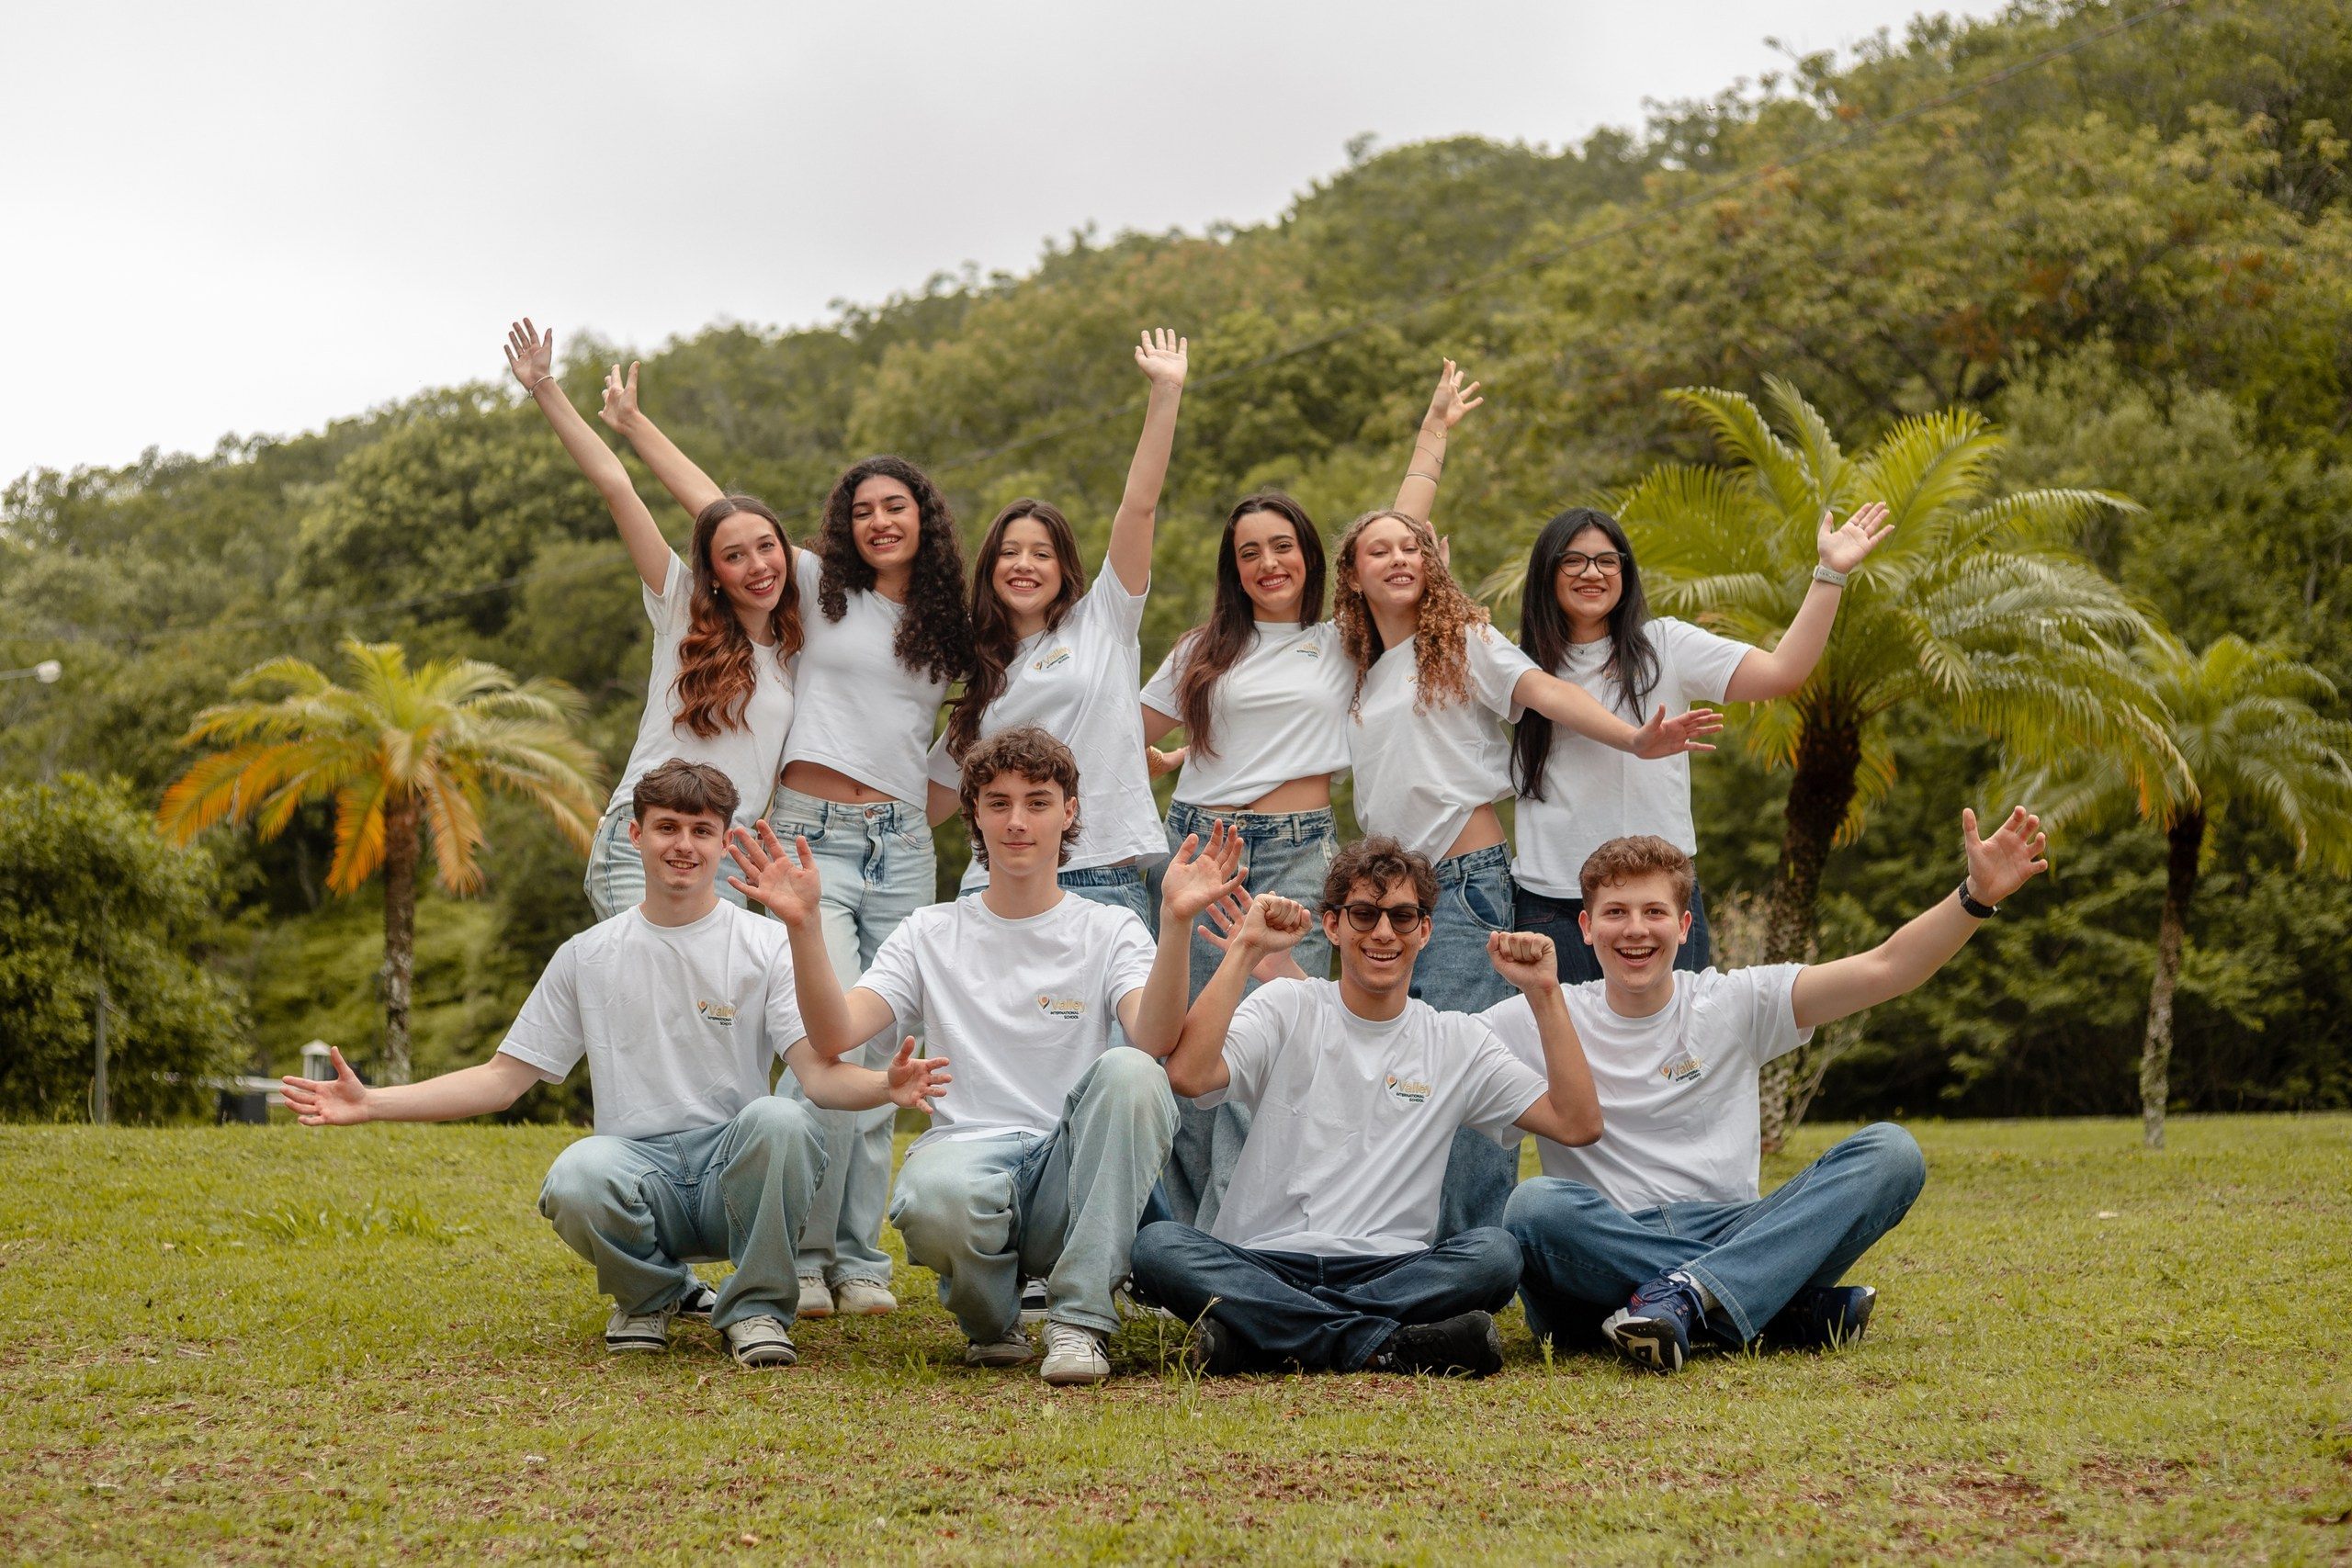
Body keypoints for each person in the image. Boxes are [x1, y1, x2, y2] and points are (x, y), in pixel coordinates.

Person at [276, 760, 949, 1370]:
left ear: (724, 843)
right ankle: (653, 1295)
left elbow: (819, 1076)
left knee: (782, 1119)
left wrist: (884, 1086)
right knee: (576, 1174)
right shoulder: (587, 955)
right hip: (639, 1177)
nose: (684, 845)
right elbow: (502, 1080)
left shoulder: (763, 942)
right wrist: (373, 1102)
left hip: (733, 1177)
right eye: (667, 827)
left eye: (702, 831)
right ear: (635, 835)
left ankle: (756, 1310)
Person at [603, 367, 974, 1322]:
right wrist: (636, 425)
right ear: (843, 526)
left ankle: (859, 1258)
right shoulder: (815, 583)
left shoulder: (952, 624)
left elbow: (963, 735)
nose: (879, 521)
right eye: (863, 509)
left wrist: (910, 818)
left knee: (883, 1048)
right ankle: (802, 1251)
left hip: (901, 846)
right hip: (811, 837)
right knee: (825, 1035)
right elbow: (717, 513)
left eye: (895, 507)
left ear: (925, 519)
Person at [729, 727, 1245, 1385]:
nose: (1017, 821)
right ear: (973, 812)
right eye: (998, 803)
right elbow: (835, 1035)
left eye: (1037, 802)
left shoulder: (1109, 927)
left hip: (1068, 1175)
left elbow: (1154, 1039)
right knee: (936, 1197)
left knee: (1134, 1071)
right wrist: (804, 927)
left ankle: (1080, 1319)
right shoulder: (930, 931)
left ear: (1070, 811)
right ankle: (990, 1319)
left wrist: (1174, 921)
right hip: (965, 1164)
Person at [1497, 815, 2045, 1372]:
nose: (1635, 929)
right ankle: (1765, 1302)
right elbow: (1443, 1052)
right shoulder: (1543, 1009)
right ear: (1586, 927)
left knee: (1892, 1154)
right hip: (1600, 1249)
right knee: (1535, 1208)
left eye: (1654, 912)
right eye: (1616, 912)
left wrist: (1975, 896)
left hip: (1735, 1226)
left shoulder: (1731, 1001)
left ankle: (1692, 1295)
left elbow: (1887, 968)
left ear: (1684, 926)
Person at [1137, 361, 1482, 1230]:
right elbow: (1116, 739)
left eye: (1282, 545)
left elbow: (1401, 530)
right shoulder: (1200, 649)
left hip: (1297, 854)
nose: (1267, 562)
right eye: (1249, 551)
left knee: (1280, 1045)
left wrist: (1432, 433)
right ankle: (1192, 1239)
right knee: (1188, 1046)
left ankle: (1253, 1234)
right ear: (1233, 567)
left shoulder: (1343, 640)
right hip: (1202, 853)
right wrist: (1160, 759)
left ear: (1312, 557)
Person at [1329, 500, 1721, 1244]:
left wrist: (1634, 739)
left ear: (1433, 562)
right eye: (1380, 550)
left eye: (1412, 547)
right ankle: (1406, 1244)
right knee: (1400, 1063)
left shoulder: (1462, 640)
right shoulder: (1361, 671)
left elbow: (1547, 690)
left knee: (1467, 1065)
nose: (1399, 558)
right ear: (1351, 573)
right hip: (1391, 894)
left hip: (1464, 883)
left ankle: (1470, 1255)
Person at [1131, 836, 1604, 1378]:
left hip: (1390, 1268)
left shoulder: (1456, 1041)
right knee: (1158, 1247)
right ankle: (1383, 1344)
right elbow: (1188, 1076)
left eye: (1402, 917)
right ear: (1333, 926)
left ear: (1425, 931)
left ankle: (1267, 1338)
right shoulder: (1288, 1004)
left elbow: (1578, 1124)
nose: (1383, 933)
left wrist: (1545, 993)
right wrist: (1246, 951)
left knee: (1496, 1254)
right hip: (1264, 1260)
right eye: (1364, 914)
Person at [1509, 503, 1892, 982]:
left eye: (1608, 561)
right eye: (1574, 561)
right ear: (1547, 572)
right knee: (1556, 1036)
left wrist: (1830, 573)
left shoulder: (1666, 646)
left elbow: (1783, 671)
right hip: (1551, 907)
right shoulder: (1514, 663)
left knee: (1675, 1034)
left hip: (1661, 906)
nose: (1593, 573)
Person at [503, 321, 801, 922]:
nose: (756, 566)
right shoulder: (683, 606)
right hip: (645, 841)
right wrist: (543, 386)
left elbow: (729, 516)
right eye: (734, 556)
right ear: (712, 573)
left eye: (767, 548)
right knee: (644, 979)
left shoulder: (796, 651)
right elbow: (615, 486)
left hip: (728, 857)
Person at [929, 329, 1191, 923]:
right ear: (989, 568)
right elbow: (928, 803)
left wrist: (1166, 393)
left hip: (1100, 879)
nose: (1024, 564)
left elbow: (1139, 506)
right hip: (993, 888)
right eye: (1009, 552)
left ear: (1064, 566)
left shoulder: (1104, 618)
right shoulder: (980, 675)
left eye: (1041, 553)